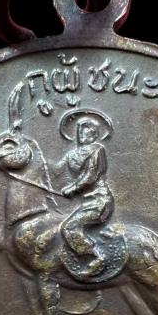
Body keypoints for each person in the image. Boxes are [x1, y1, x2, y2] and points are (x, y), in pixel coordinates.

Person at [59, 117, 114, 277]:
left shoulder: (97, 150)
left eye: (87, 133)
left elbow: (91, 176)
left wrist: (73, 189)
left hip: (99, 201)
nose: (82, 136)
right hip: (86, 202)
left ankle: (96, 258)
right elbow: (57, 170)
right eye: (80, 133)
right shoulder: (73, 154)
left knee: (70, 228)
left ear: (94, 135)